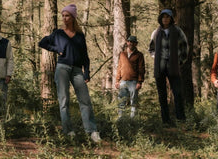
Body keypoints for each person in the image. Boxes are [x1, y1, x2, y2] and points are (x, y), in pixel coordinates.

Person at [38, 4, 101, 142]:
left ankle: (92, 131)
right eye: (63, 15)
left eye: (67, 15)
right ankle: (68, 131)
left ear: (73, 17)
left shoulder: (79, 36)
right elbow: (42, 42)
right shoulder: (58, 33)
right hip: (62, 68)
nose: (64, 18)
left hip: (77, 70)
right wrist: (55, 48)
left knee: (85, 100)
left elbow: (85, 56)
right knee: (64, 100)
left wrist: (87, 73)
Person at [148, 9, 188, 126]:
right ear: (160, 19)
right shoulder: (156, 32)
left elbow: (185, 47)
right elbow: (151, 48)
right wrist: (155, 57)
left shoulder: (177, 31)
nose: (165, 19)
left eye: (167, 17)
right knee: (162, 95)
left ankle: (181, 120)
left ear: (171, 19)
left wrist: (180, 61)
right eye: (163, 17)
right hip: (160, 67)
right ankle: (165, 120)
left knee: (177, 93)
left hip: (173, 66)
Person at [115, 36, 145, 118]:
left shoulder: (139, 55)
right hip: (123, 81)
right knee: (121, 101)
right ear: (127, 42)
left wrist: (139, 82)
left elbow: (141, 69)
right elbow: (119, 67)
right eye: (129, 41)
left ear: (136, 44)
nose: (130, 43)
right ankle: (121, 119)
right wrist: (117, 80)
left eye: (132, 42)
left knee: (133, 102)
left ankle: (133, 120)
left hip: (134, 82)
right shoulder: (122, 54)